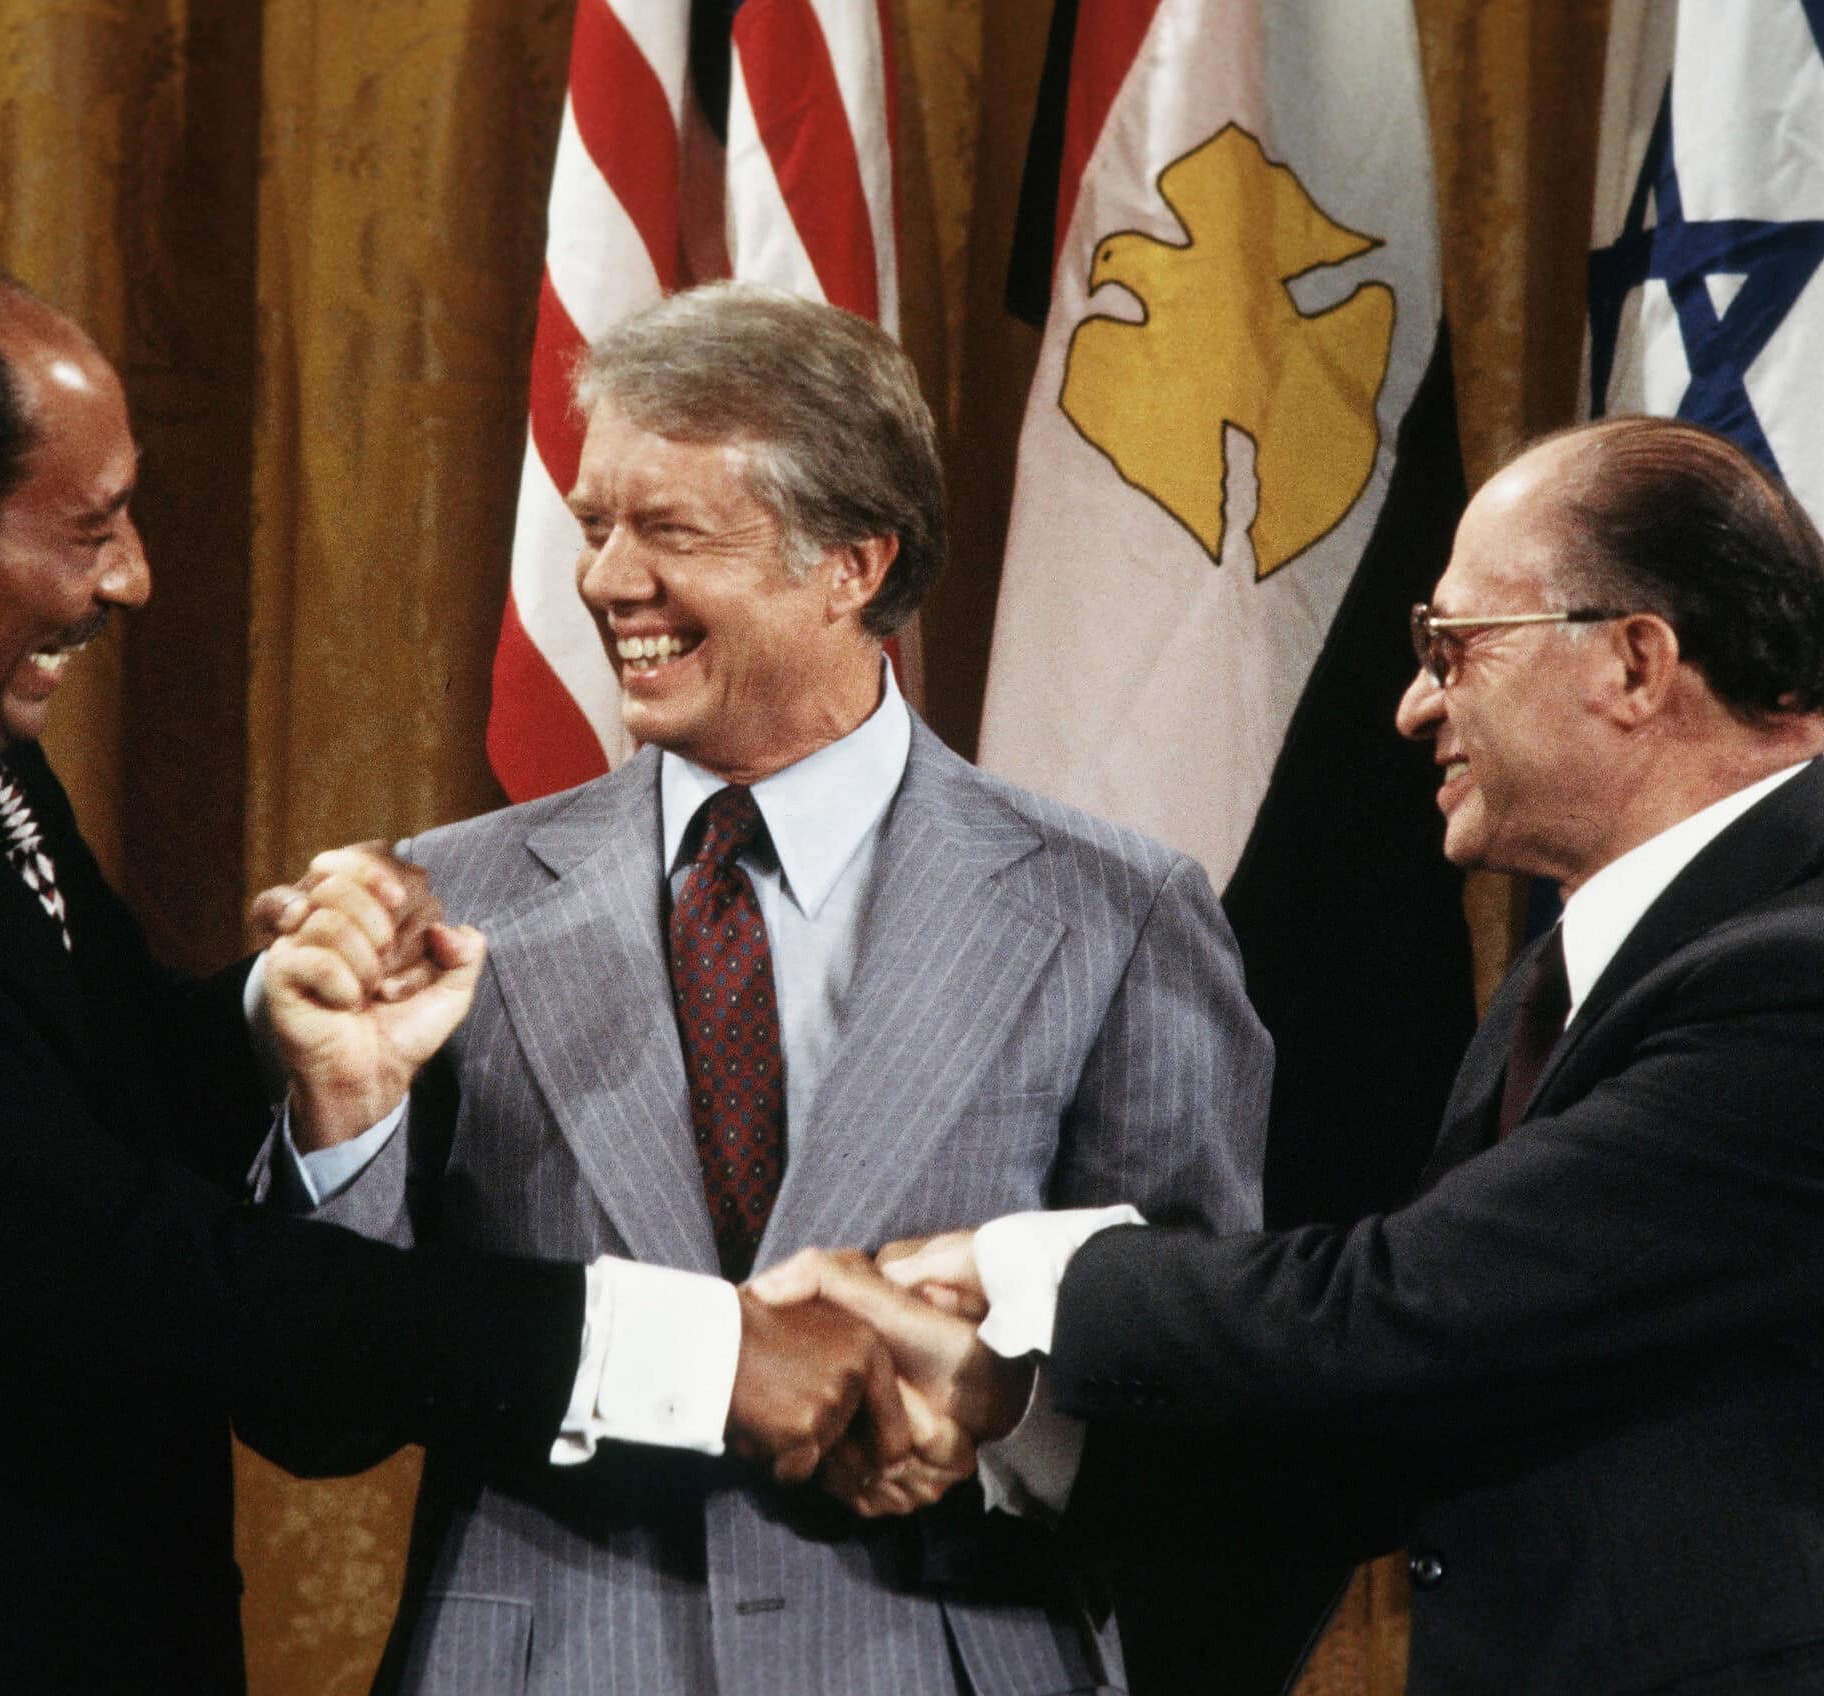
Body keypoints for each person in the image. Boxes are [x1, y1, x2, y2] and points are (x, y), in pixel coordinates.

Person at [0, 242, 918, 1695]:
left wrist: (279, 1019)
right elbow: (162, 1282)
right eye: (89, 532)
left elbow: (80, 1082)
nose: (134, 576)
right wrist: (713, 1352)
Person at [809, 416, 1824, 1693]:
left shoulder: (1819, 989)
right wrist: (1008, 1409)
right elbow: (1419, 1403)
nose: (1415, 703)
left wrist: (1008, 1262)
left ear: (1636, 663)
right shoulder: (1579, 978)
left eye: (1454, 646)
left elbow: (1397, 1308)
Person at [262, 282, 1272, 1694]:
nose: (609, 581)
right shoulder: (444, 910)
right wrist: (341, 1120)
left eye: (669, 530)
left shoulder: (1112, 912)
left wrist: (989, 1426)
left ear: (853, 565)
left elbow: (1204, 1399)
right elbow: (317, 1406)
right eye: (598, 523)